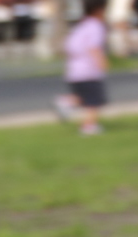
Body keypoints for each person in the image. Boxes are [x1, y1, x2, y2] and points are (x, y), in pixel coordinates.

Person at [53, 0, 109, 136]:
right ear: (99, 10)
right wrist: (101, 62)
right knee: (94, 101)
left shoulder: (81, 25)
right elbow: (93, 47)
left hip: (74, 70)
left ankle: (65, 102)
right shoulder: (96, 26)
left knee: (83, 96)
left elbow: (69, 45)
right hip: (88, 70)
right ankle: (89, 126)